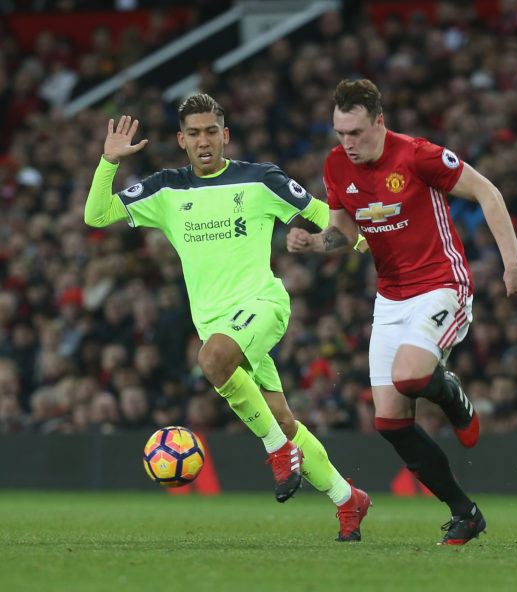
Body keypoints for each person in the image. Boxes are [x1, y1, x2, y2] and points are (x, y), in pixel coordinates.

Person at [84, 94, 371, 543]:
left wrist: (370, 245)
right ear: (181, 140)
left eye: (212, 132)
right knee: (284, 420)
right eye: (194, 133)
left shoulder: (261, 180)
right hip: (220, 325)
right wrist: (108, 162)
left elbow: (324, 217)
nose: (204, 141)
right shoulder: (166, 189)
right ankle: (347, 498)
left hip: (263, 306)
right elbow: (96, 214)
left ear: (226, 135)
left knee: (212, 360)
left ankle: (278, 454)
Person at [286, 79, 517, 546]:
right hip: (391, 297)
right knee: (390, 423)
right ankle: (465, 512)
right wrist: (314, 243)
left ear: (380, 121)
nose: (348, 144)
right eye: (340, 133)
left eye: (356, 132)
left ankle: (451, 392)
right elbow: (341, 232)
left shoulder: (418, 155)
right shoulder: (336, 166)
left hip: (443, 285)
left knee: (412, 377)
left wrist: (512, 262)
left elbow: (488, 193)